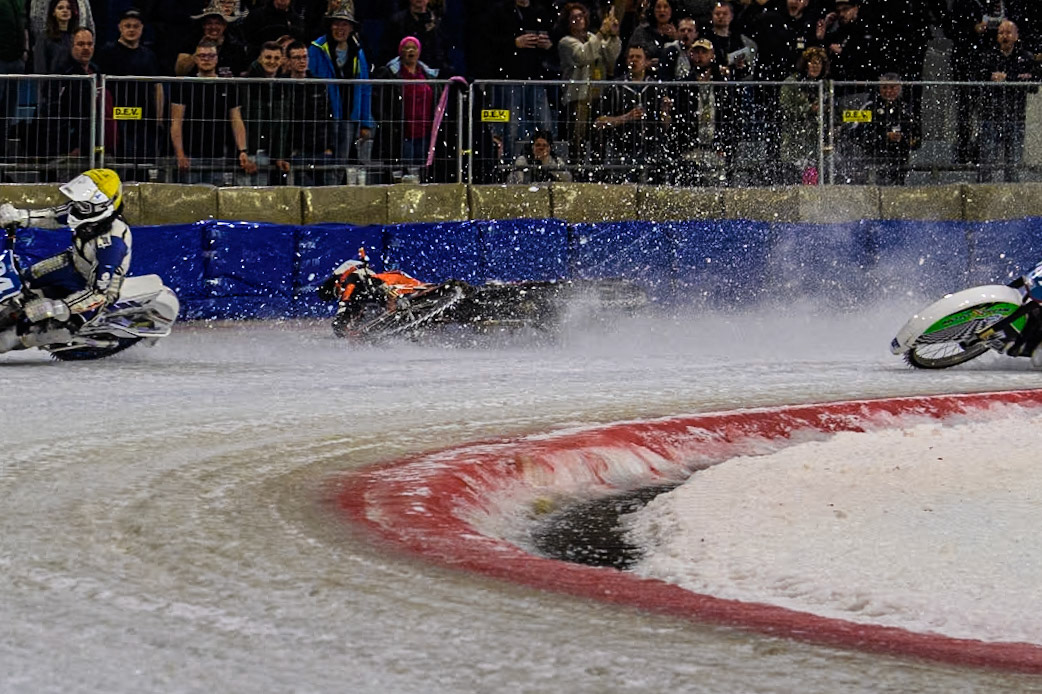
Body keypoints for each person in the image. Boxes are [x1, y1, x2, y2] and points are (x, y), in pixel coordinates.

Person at [0, 168, 130, 352]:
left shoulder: (111, 243)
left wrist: (59, 307)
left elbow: (98, 293)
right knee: (24, 281)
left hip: (97, 287)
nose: (76, 207)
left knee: (51, 323)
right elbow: (53, 216)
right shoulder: (83, 211)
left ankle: (33, 336)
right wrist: (19, 216)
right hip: (72, 263)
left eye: (83, 205)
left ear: (104, 205)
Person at [169, 38, 258, 184]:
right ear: (195, 59)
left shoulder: (228, 85)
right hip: (190, 155)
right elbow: (176, 122)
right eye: (202, 56)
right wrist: (180, 154)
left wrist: (242, 150)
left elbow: (236, 120)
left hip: (218, 154)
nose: (206, 59)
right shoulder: (184, 85)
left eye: (210, 56)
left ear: (217, 59)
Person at [308, 0, 375, 183]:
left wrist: (365, 120)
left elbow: (364, 88)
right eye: (336, 23)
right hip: (322, 116)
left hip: (348, 116)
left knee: (340, 162)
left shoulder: (358, 52)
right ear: (330, 25)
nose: (340, 28)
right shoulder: (316, 49)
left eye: (345, 24)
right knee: (323, 161)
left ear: (352, 28)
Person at [94, 8, 166, 177]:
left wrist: (159, 117)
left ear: (142, 28)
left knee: (143, 166)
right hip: (118, 118)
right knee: (122, 164)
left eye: (135, 26)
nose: (131, 30)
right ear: (120, 27)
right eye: (127, 26)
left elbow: (158, 86)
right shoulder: (107, 52)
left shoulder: (149, 55)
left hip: (145, 119)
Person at [594, 43, 672, 183]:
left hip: (651, 150)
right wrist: (626, 117)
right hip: (621, 150)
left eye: (638, 57)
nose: (634, 60)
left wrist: (665, 111)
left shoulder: (656, 88)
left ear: (646, 62)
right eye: (631, 57)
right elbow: (599, 122)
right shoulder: (615, 87)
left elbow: (666, 126)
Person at [557, 2, 621, 164]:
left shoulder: (592, 38)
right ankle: (577, 172)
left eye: (580, 16)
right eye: (574, 17)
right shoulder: (565, 42)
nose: (578, 19)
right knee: (577, 139)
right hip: (578, 98)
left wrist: (613, 35)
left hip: (597, 95)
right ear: (567, 21)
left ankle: (597, 172)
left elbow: (610, 56)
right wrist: (601, 33)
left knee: (598, 137)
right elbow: (583, 55)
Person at [372, 35, 438, 181]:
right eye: (406, 48)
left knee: (422, 173)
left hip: (425, 131)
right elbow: (381, 102)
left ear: (419, 51)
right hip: (402, 132)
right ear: (400, 52)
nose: (410, 51)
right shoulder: (391, 74)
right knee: (403, 174)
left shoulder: (428, 75)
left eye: (413, 47)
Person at [978, 19, 1036, 183]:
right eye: (1001, 32)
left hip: (1015, 117)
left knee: (1013, 163)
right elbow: (980, 78)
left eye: (1008, 32)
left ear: (1016, 36)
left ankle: (1012, 197)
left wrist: (1007, 78)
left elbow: (1032, 85)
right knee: (986, 162)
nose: (1005, 36)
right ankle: (982, 194)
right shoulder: (988, 56)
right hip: (990, 115)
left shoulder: (1025, 57)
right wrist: (1014, 79)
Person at [281, 39, 333, 185]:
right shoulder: (281, 84)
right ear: (288, 61)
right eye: (297, 58)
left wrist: (329, 147)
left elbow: (328, 115)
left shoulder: (318, 84)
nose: (302, 61)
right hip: (295, 150)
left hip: (320, 149)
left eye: (304, 57)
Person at [856, 73, 921, 185]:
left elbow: (916, 138)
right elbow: (857, 134)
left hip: (899, 160)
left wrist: (903, 138)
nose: (888, 91)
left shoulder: (906, 109)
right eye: (884, 87)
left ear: (899, 88)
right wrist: (883, 136)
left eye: (892, 87)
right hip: (874, 159)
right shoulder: (869, 107)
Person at [239, 40, 289, 184]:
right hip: (249, 152)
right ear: (260, 58)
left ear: (282, 61)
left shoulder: (283, 85)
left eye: (276, 58)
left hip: (269, 153)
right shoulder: (246, 82)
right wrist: (244, 152)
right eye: (268, 57)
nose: (272, 61)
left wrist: (279, 155)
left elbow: (283, 122)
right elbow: (242, 118)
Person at [779, 45, 827, 184]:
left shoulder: (824, 85)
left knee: (811, 184)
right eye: (812, 62)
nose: (815, 66)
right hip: (793, 143)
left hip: (814, 144)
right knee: (792, 182)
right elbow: (786, 108)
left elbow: (831, 111)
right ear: (805, 64)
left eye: (819, 63)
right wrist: (808, 109)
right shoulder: (792, 83)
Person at [174, 0, 251, 77]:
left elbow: (242, 73)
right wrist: (199, 52)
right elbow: (180, 71)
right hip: (195, 87)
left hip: (225, 88)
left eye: (218, 23)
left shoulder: (235, 46)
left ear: (224, 26)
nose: (213, 27)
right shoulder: (190, 42)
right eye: (209, 23)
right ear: (203, 25)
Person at [32, 0, 79, 74]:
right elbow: (40, 67)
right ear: (53, 12)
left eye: (68, 8)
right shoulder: (44, 38)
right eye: (60, 8)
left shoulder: (76, 37)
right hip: (51, 82)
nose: (65, 11)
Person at [507, 129, 572, 183]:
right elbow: (518, 182)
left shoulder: (556, 160)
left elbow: (567, 179)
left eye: (544, 145)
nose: (541, 148)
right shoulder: (523, 160)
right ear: (532, 147)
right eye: (538, 145)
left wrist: (546, 162)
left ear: (549, 148)